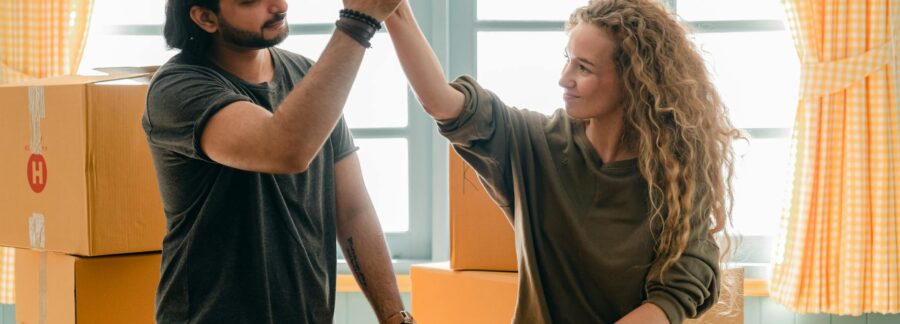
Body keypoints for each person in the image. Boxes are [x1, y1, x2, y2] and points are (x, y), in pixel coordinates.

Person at [385, 0, 740, 323]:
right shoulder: (534, 143)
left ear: (633, 83)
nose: (564, 78)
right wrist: (396, 11)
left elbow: (674, 297)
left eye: (583, 68)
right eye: (567, 58)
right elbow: (443, 103)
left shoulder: (677, 175)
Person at [142, 0, 415, 323]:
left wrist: (395, 317)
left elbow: (354, 211)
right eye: (250, 1)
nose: (280, 5)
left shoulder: (309, 78)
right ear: (206, 18)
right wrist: (358, 22)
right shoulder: (177, 89)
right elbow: (285, 149)